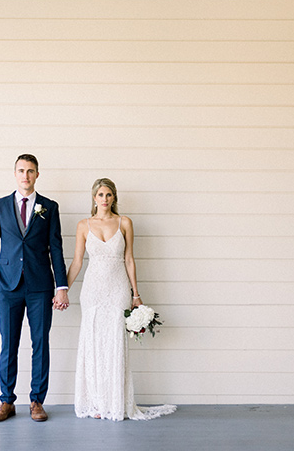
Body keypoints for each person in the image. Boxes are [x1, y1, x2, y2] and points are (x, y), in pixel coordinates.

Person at [67, 177, 176, 421]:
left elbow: (129, 259)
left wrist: (135, 294)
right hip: (93, 290)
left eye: (108, 195)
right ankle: (95, 403)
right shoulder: (84, 225)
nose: (104, 199)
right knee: (93, 342)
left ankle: (115, 402)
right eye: (100, 195)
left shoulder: (124, 222)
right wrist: (62, 289)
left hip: (117, 288)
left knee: (115, 342)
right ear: (93, 198)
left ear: (114, 197)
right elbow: (76, 262)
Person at [0, 154, 69, 422]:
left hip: (40, 287)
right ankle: (6, 402)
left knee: (40, 344)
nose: (26, 176)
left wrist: (61, 286)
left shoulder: (49, 207)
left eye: (30, 171)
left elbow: (56, 247)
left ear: (37, 175)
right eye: (21, 171)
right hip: (8, 286)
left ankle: (36, 401)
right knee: (8, 344)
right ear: (15, 173)